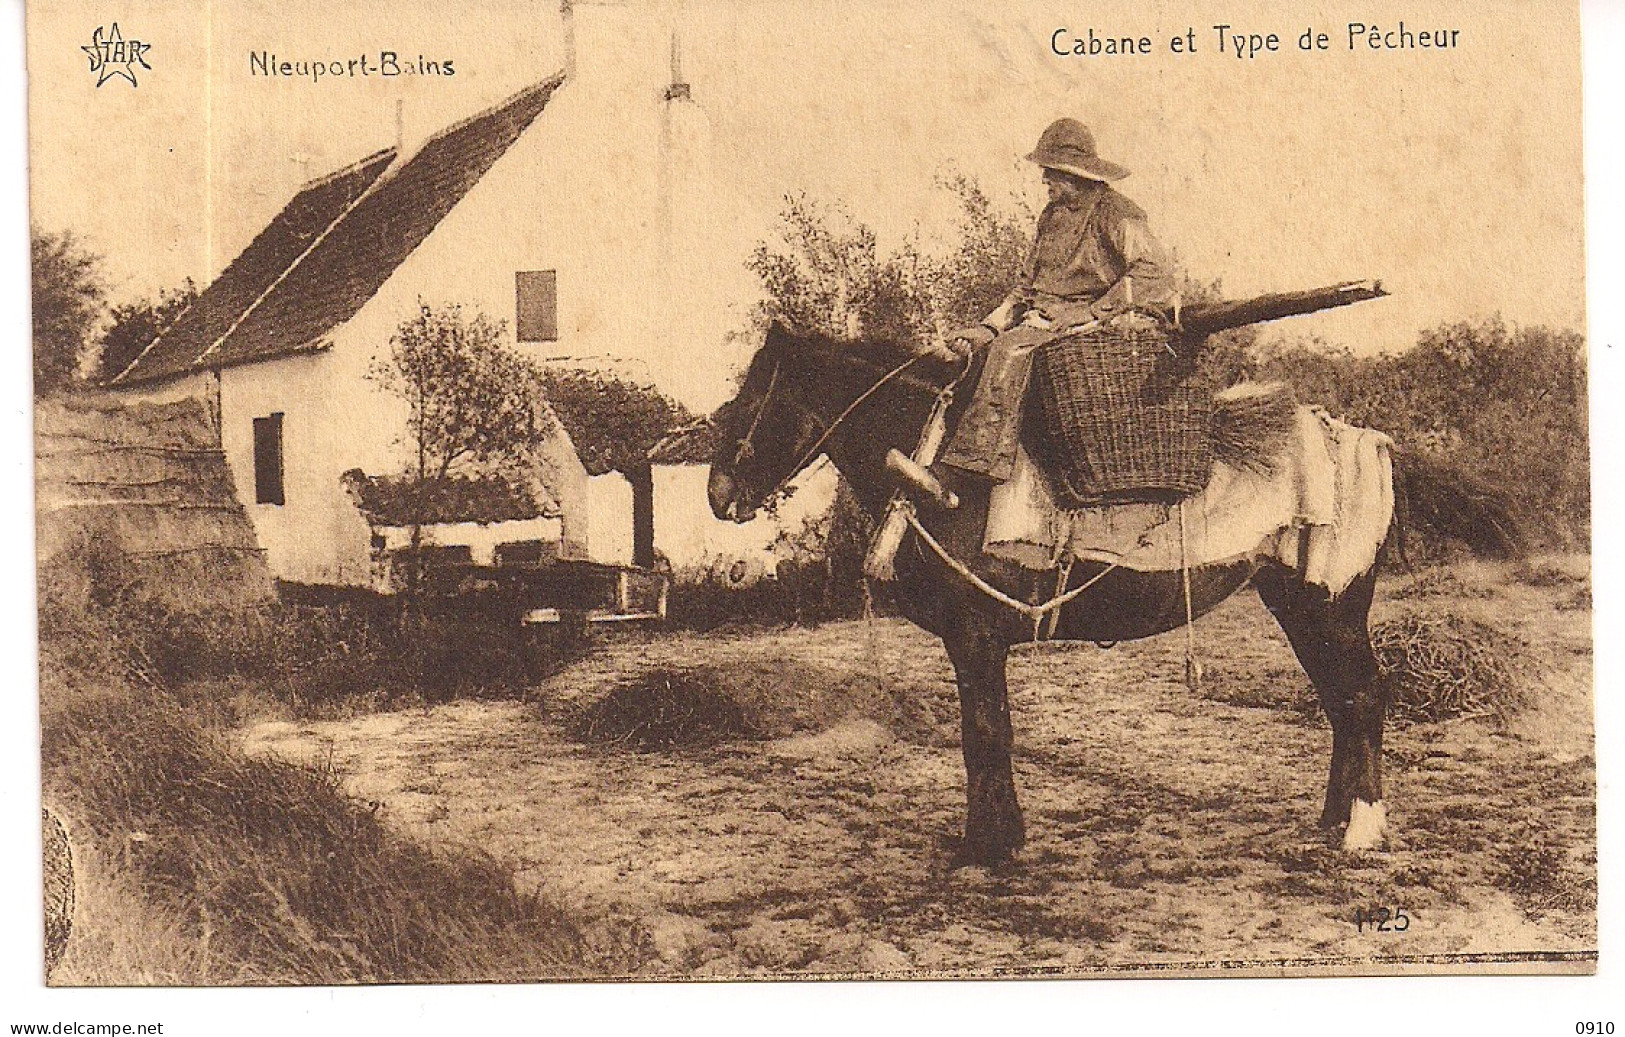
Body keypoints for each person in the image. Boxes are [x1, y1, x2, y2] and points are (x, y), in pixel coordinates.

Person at [936, 118, 1177, 484]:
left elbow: (1154, 272)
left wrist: (1095, 311)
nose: (1044, 180)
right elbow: (1025, 288)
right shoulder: (1050, 218)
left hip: (1094, 325)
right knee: (974, 356)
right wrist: (985, 328)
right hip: (1042, 321)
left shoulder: (1117, 213)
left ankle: (977, 466)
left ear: (1074, 174)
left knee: (1011, 351)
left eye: (1050, 173)